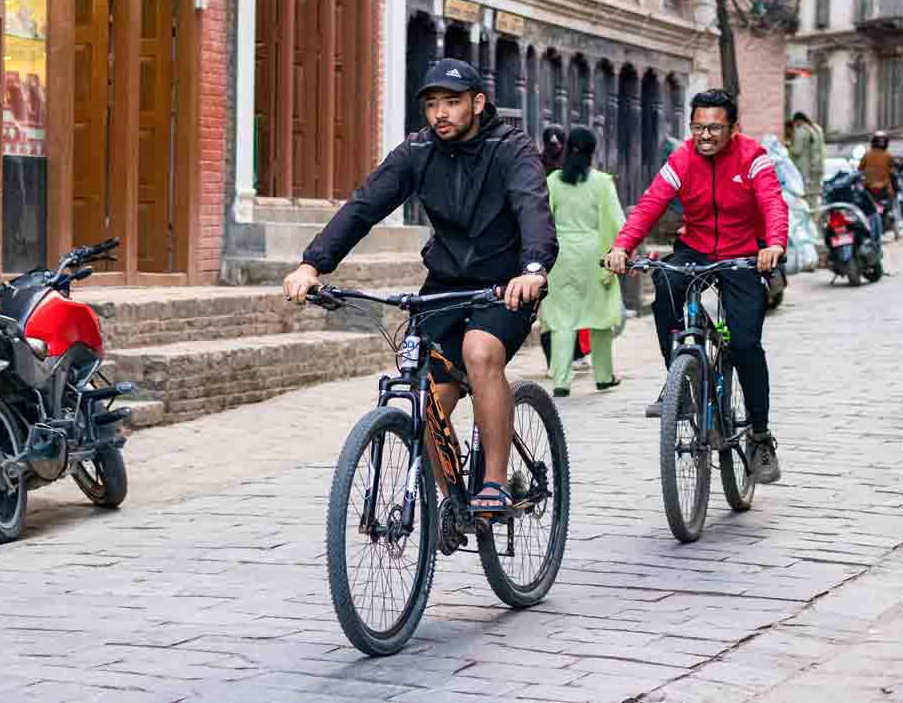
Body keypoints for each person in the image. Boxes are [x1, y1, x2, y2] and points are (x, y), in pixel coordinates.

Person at [283, 58, 558, 512]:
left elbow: (532, 207)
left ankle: (494, 483)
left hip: (505, 283)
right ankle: (453, 503)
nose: (441, 114)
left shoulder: (511, 149)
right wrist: (313, 265)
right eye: (432, 105)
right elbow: (364, 206)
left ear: (477, 102)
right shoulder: (418, 151)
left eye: (452, 102)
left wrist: (532, 269)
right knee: (425, 397)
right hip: (445, 284)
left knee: (480, 352)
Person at [604, 89, 788, 485]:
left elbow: (773, 202)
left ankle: (759, 436)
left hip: (743, 255)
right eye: (698, 127)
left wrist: (773, 243)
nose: (705, 135)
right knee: (665, 285)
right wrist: (623, 245)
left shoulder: (753, 157)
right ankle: (682, 379)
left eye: (715, 128)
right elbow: (651, 202)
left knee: (744, 345)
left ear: (734, 128)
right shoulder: (682, 158)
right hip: (696, 249)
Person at [540, 126, 625, 397]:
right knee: (599, 318)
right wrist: (620, 251)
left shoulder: (553, 181)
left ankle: (561, 382)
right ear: (592, 152)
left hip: (560, 256)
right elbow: (617, 219)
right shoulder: (602, 182)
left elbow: (542, 219)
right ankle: (603, 376)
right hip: (594, 255)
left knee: (562, 321)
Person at [790, 111, 825, 212]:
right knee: (814, 197)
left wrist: (788, 147)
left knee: (804, 197)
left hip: (806, 169)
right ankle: (815, 218)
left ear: (798, 121)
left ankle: (808, 221)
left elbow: (797, 150)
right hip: (818, 168)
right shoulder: (817, 129)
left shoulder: (801, 131)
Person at [859, 130, 896, 206]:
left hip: (869, 187)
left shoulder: (867, 154)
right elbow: (893, 170)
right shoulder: (888, 155)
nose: (881, 142)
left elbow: (860, 169)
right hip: (883, 188)